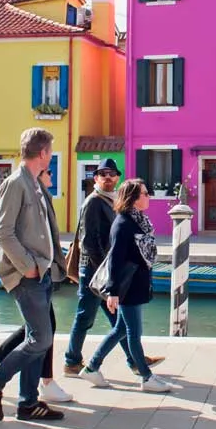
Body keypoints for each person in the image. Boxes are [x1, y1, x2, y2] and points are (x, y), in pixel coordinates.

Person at [0, 128, 68, 422]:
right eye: (50, 150)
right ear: (42, 153)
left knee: (38, 336)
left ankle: (28, 404)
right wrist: (27, 265)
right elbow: (4, 233)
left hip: (40, 272)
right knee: (41, 339)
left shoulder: (35, 184)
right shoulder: (15, 184)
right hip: (26, 274)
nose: (51, 155)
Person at [63, 158, 163, 377]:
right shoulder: (93, 201)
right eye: (103, 173)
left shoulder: (113, 201)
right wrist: (107, 274)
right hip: (93, 270)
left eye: (112, 173)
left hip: (106, 271)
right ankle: (72, 361)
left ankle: (135, 360)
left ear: (117, 177)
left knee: (119, 321)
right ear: (96, 178)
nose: (108, 177)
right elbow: (88, 240)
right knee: (85, 317)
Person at [79, 179, 173, 393]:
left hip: (137, 284)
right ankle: (146, 377)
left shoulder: (138, 220)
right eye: (145, 193)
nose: (149, 196)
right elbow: (115, 259)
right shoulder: (123, 224)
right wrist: (112, 292)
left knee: (120, 329)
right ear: (133, 198)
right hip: (126, 287)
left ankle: (92, 367)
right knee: (133, 331)